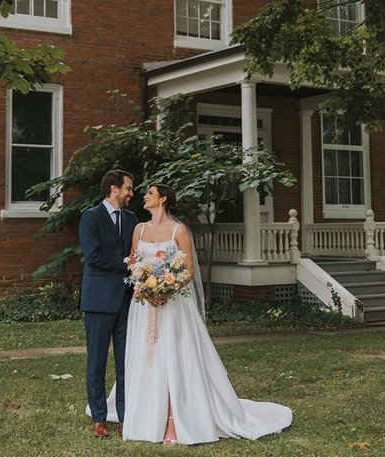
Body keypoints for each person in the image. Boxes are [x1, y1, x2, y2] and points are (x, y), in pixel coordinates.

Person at [114, 184, 292, 444]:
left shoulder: (179, 230)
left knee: (173, 359)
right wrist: (143, 285)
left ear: (163, 199)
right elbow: (132, 261)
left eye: (150, 193)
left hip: (173, 306)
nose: (145, 196)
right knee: (148, 361)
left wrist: (166, 289)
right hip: (144, 306)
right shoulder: (139, 229)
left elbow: (187, 269)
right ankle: (146, 419)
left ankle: (174, 424)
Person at [79, 168, 137, 439]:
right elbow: (93, 257)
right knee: (97, 362)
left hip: (127, 301)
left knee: (126, 362)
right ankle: (99, 418)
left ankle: (125, 416)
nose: (131, 193)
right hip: (98, 301)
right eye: (128, 188)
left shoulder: (133, 218)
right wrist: (127, 263)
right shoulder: (90, 217)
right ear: (114, 189)